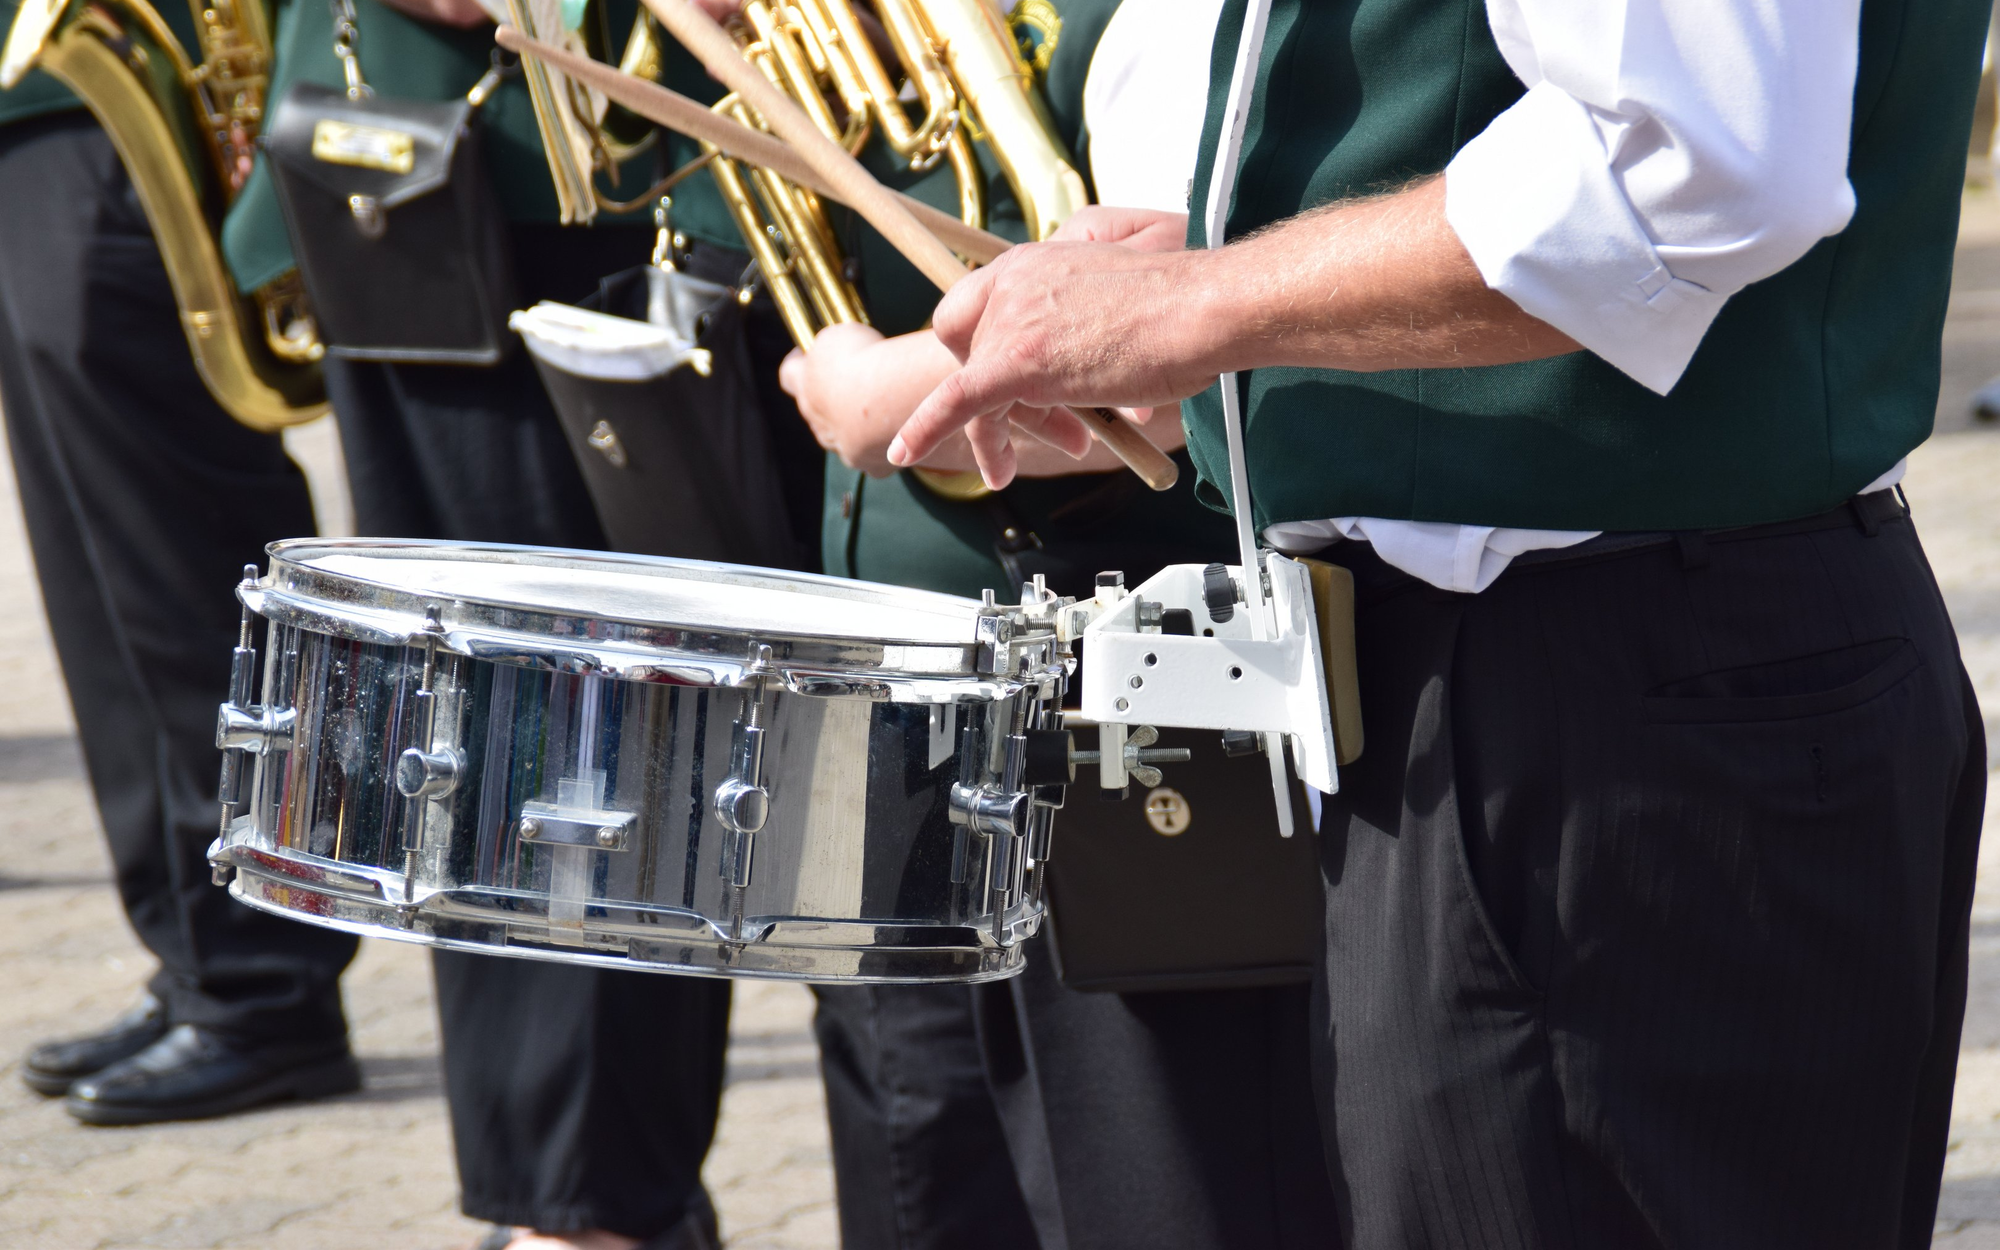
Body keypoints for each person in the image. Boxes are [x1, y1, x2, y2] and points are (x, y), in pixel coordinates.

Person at [882, 0, 1992, 1245]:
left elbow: (1694, 161)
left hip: (1614, 697)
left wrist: (1201, 301)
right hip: (1577, 683)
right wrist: (1221, 273)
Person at [780, 0, 1336, 1244]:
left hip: (1137, 668)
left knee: (1161, 1170)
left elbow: (1153, 333)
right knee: (921, 1126)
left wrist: (883, 395)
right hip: (917, 627)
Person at [219, 3, 745, 1245]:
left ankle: (596, 1195)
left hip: (699, 142)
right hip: (438, 146)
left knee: (634, 703)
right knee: (498, 714)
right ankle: (574, 1201)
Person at [0, 1, 362, 1124]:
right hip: (39, 99)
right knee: (98, 573)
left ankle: (266, 982)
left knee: (174, 560)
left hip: (117, 92)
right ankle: (198, 955)